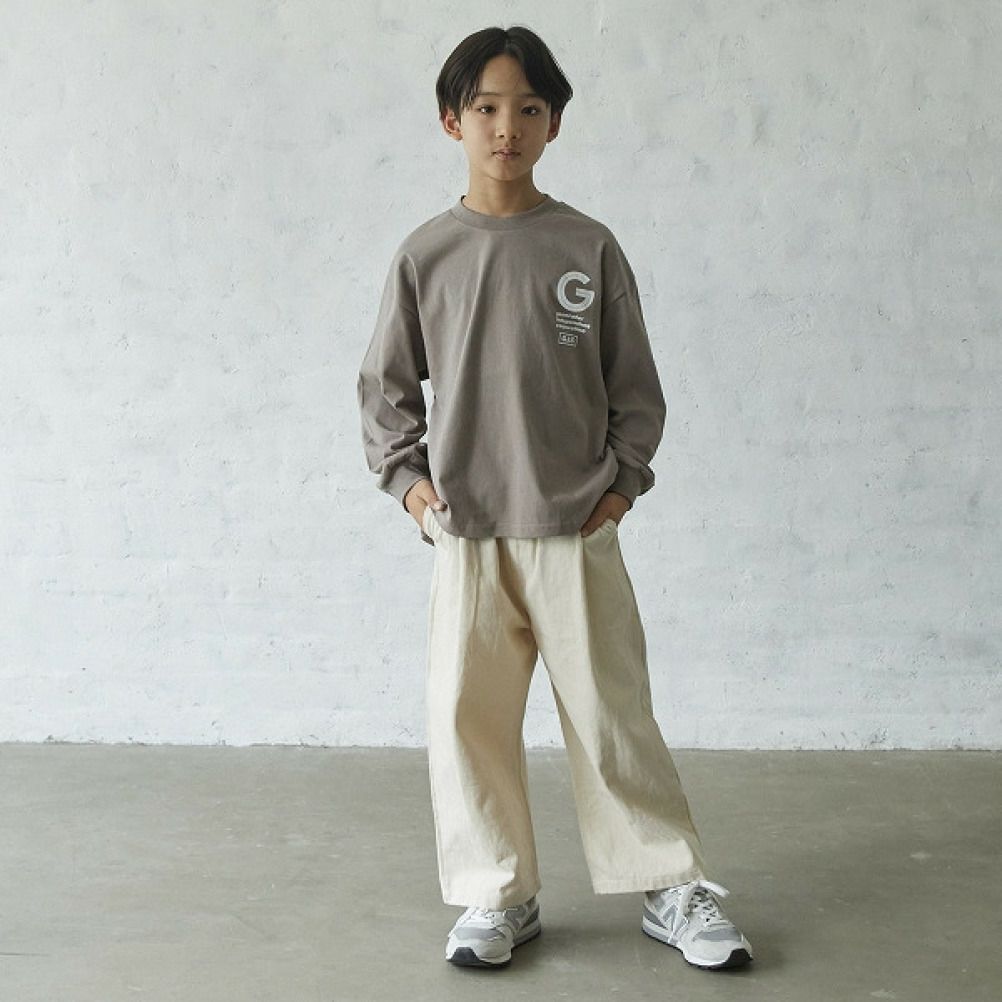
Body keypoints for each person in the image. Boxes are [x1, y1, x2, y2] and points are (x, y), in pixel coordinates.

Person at [356, 24, 753, 972]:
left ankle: (669, 885)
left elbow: (635, 387)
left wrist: (618, 491)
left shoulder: (587, 245)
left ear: (554, 124)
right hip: (468, 531)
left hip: (576, 526)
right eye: (487, 108)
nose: (507, 128)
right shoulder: (426, 255)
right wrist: (415, 493)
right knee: (469, 719)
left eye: (528, 109)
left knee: (613, 715)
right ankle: (498, 894)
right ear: (451, 120)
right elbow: (385, 389)